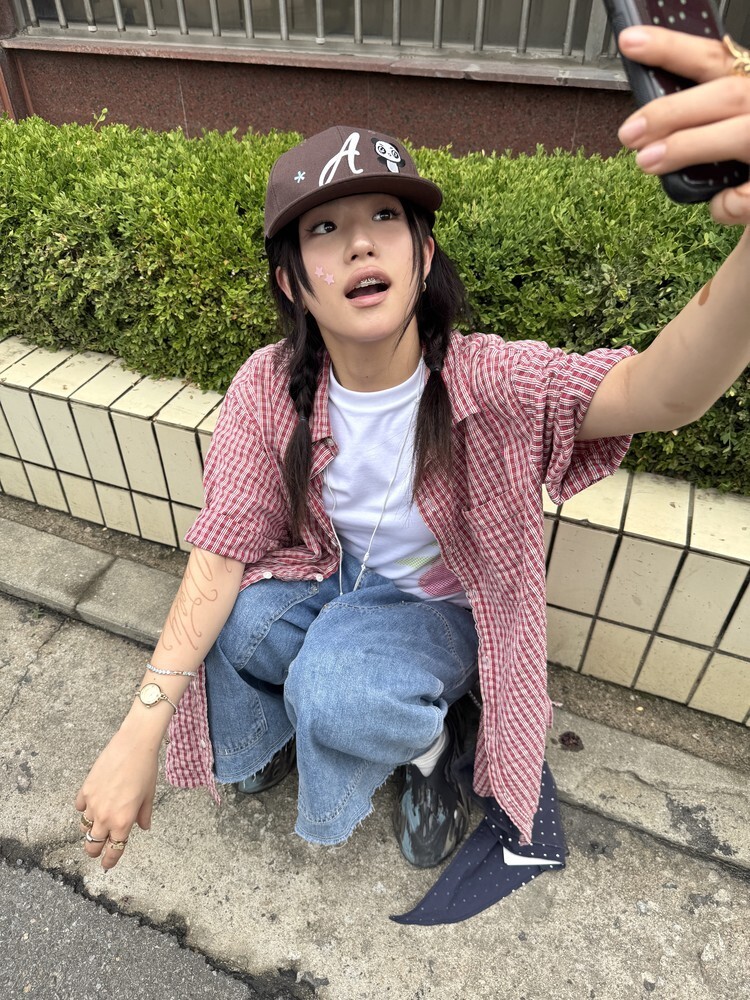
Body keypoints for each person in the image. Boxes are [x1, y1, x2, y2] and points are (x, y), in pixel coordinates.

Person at [76, 25, 750, 911]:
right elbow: (223, 546)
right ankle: (301, 722)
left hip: (442, 606)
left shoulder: (488, 380)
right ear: (293, 282)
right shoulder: (270, 385)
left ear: (423, 255)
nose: (360, 245)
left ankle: (429, 751)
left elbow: (661, 393)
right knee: (235, 625)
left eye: (385, 218)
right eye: (325, 229)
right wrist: (142, 726)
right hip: (335, 577)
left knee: (336, 688)